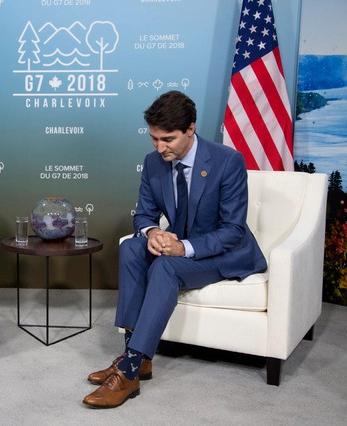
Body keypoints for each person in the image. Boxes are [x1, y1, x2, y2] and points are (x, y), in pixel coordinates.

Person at [82, 91, 267, 408]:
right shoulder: (153, 163)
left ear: (190, 130)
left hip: (223, 252)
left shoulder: (227, 161)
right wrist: (152, 231)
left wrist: (185, 247)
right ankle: (136, 358)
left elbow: (233, 230)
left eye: (167, 139)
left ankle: (128, 370)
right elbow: (143, 214)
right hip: (177, 242)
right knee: (131, 249)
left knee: (165, 267)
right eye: (154, 138)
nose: (159, 147)